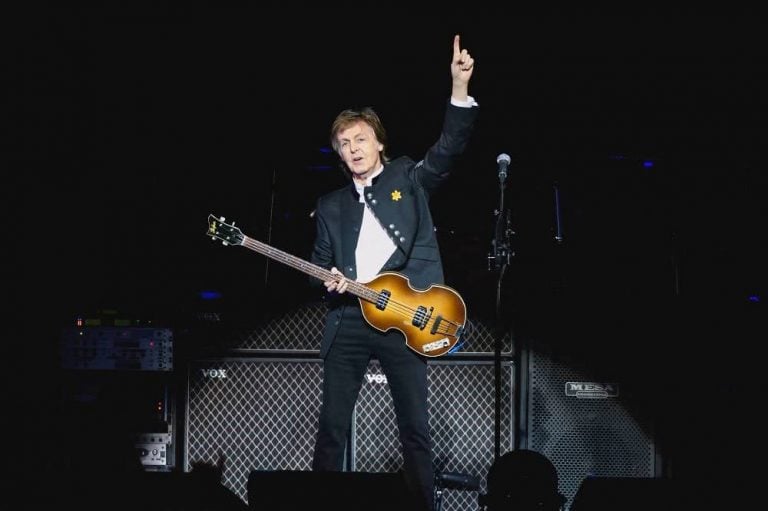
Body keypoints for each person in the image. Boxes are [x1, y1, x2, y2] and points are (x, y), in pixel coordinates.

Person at [309, 34, 478, 511]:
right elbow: (319, 264)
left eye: (360, 138)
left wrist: (459, 87)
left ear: (379, 143)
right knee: (332, 429)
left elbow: (448, 149)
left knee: (415, 431)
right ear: (339, 156)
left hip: (405, 318)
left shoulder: (408, 179)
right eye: (344, 144)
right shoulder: (329, 207)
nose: (353, 148)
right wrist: (327, 278)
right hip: (348, 321)